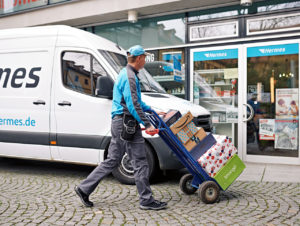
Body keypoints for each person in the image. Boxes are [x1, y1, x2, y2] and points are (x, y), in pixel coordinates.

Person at [74, 45, 167, 210]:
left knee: (113, 160)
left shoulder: (127, 74)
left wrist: (152, 109)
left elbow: (136, 101)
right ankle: (146, 200)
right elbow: (132, 105)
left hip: (121, 122)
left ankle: (84, 188)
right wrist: (147, 124)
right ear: (138, 58)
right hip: (127, 124)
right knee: (139, 161)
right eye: (144, 57)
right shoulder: (130, 77)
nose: (145, 60)